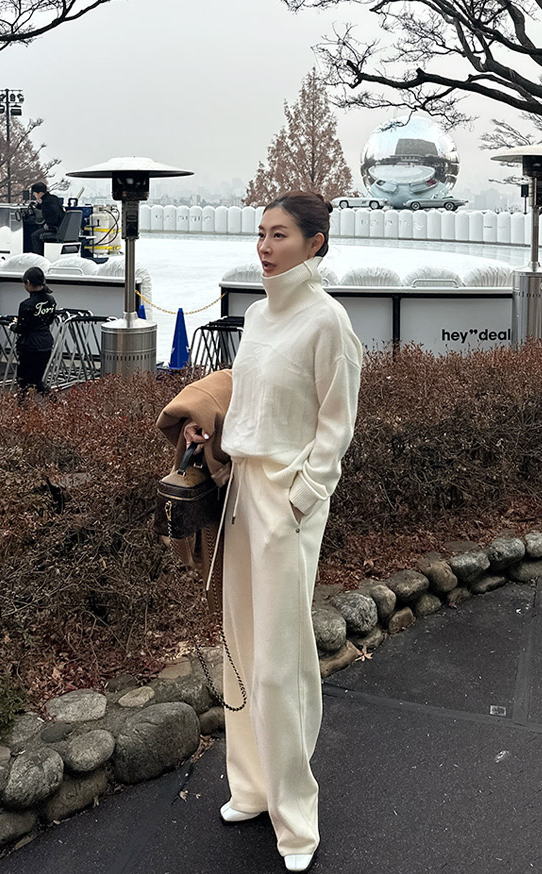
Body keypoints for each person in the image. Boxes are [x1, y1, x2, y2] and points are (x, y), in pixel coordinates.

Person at [183, 191, 363, 872]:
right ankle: (252, 788)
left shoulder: (328, 321)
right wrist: (214, 436)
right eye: (260, 233)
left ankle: (296, 819)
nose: (264, 246)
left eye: (280, 234)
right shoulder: (258, 316)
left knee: (281, 659)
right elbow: (255, 403)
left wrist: (301, 499)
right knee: (242, 643)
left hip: (286, 501)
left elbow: (335, 425)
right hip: (241, 492)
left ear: (315, 243)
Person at [11, 266, 57, 396]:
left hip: (29, 345)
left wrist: (13, 326)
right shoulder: (51, 300)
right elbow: (49, 321)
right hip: (46, 343)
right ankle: (55, 402)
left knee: (23, 381)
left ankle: (23, 406)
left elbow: (22, 328)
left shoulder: (26, 304)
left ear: (28, 283)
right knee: (37, 379)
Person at [28, 182, 65, 255]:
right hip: (61, 226)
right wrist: (38, 204)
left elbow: (52, 218)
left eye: (35, 194)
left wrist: (48, 226)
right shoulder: (54, 198)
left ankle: (39, 256)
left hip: (54, 228)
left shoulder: (46, 203)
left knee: (35, 236)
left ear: (40, 193)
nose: (34, 195)